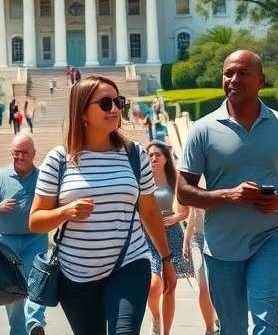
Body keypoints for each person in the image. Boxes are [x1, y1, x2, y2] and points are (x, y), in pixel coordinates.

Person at [175, 48, 278, 335]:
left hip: (270, 236)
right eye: (229, 73)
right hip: (221, 243)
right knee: (233, 327)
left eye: (243, 73)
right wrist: (228, 195)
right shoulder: (203, 129)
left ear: (260, 80)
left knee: (264, 316)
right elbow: (183, 192)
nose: (234, 79)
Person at [30, 75, 176, 335]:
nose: (115, 109)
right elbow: (35, 221)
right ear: (82, 112)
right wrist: (66, 212)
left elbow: (150, 211)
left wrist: (166, 260)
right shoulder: (59, 159)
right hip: (75, 273)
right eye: (106, 103)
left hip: (130, 263)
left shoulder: (135, 154)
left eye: (118, 101)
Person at [0, 133, 48, 335]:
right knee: (14, 292)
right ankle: (18, 332)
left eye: (25, 152)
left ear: (34, 153)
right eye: (16, 153)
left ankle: (34, 322)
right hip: (6, 242)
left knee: (36, 283)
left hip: (36, 240)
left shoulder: (44, 178)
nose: (20, 157)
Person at [145, 142, 193, 335]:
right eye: (150, 155)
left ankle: (166, 332)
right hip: (148, 237)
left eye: (157, 155)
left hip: (172, 234)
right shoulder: (143, 180)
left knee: (169, 287)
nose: (153, 159)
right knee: (153, 286)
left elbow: (188, 211)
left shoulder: (175, 181)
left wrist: (176, 217)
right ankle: (155, 317)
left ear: (166, 158)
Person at [182, 207, 217, 335]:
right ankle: (209, 328)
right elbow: (192, 213)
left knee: (217, 283)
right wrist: (186, 241)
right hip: (197, 239)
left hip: (217, 236)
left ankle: (219, 316)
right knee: (203, 285)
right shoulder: (196, 186)